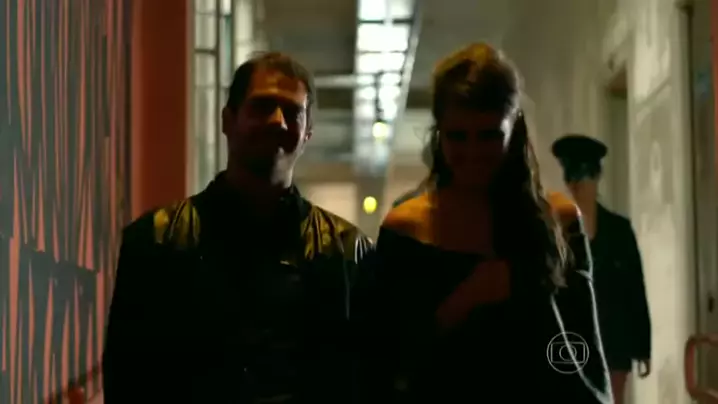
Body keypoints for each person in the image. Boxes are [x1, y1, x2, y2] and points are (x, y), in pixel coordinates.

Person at [102, 52, 373, 403]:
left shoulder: (348, 251)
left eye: (292, 112)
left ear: (307, 133)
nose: (277, 122)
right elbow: (127, 379)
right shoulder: (156, 239)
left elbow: (365, 380)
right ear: (228, 120)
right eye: (262, 107)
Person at [353, 43, 613, 403]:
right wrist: (463, 301)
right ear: (439, 133)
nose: (473, 153)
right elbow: (385, 366)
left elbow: (582, 355)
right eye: (458, 136)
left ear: (514, 129)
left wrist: (532, 300)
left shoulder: (559, 220)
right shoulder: (407, 227)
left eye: (489, 136)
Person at [552, 134, 652, 404]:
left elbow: (634, 287)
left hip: (614, 340)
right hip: (573, 342)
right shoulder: (557, 229)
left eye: (584, 175)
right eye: (571, 175)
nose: (577, 184)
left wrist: (642, 346)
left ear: (596, 177)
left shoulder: (619, 230)